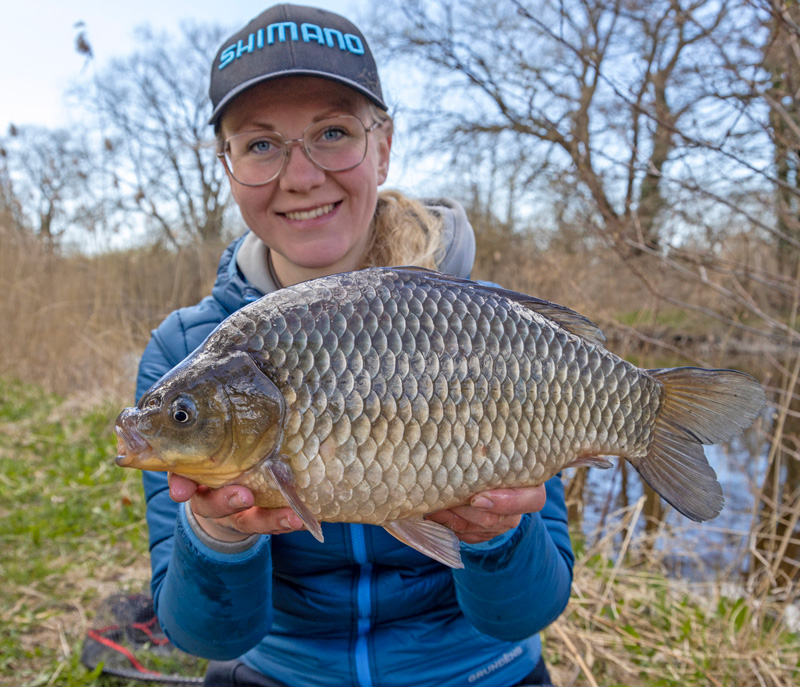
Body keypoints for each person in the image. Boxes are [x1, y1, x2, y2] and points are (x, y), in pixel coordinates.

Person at [135, 4, 574, 687]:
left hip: (478, 670)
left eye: (332, 133)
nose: (301, 176)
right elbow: (203, 633)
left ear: (383, 146)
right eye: (260, 144)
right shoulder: (185, 355)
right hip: (283, 672)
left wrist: (496, 534)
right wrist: (220, 535)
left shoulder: (494, 331)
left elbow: (530, 612)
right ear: (226, 164)